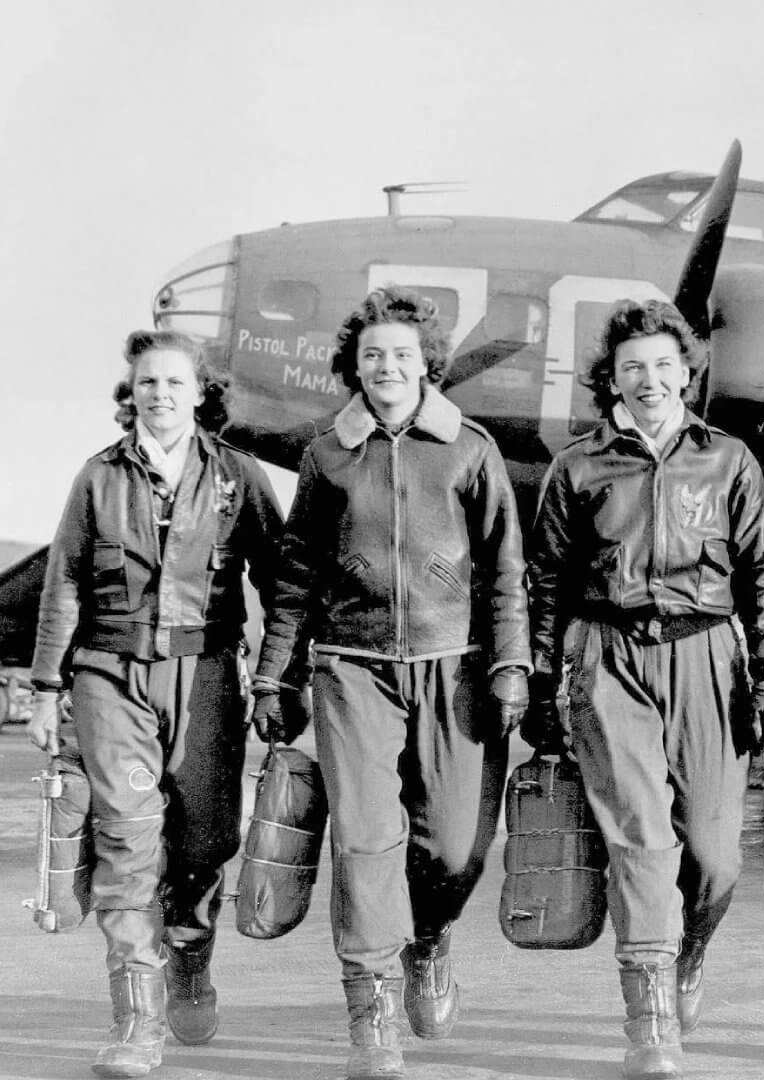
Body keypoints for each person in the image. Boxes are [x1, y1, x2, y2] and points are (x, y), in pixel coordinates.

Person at [252, 286, 531, 1080]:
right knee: (367, 840)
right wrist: (274, 675)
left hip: (458, 667)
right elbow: (297, 576)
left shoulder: (471, 450)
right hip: (353, 667)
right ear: (355, 366)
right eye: (372, 354)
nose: (387, 366)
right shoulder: (325, 457)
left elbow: (506, 570)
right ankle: (370, 1015)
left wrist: (511, 665)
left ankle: (431, 938)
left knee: (451, 844)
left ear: (426, 364)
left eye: (402, 353)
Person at [526, 298, 764, 1080]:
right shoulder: (576, 467)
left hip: (707, 656)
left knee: (713, 857)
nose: (649, 379)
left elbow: (763, 577)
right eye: (631, 366)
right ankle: (650, 1021)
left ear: (687, 371)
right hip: (609, 659)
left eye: (663, 365)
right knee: (641, 842)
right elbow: (547, 584)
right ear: (609, 377)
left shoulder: (729, 460)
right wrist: (546, 685)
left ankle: (689, 951)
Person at [28, 329, 286, 1078]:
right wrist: (47, 687)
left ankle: (192, 952)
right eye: (148, 383)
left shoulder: (239, 476)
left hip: (207, 674)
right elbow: (64, 583)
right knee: (129, 840)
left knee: (205, 842)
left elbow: (279, 586)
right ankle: (138, 1025)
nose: (161, 395)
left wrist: (276, 679)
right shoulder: (97, 477)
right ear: (131, 393)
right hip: (110, 674)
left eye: (176, 383)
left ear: (201, 392)